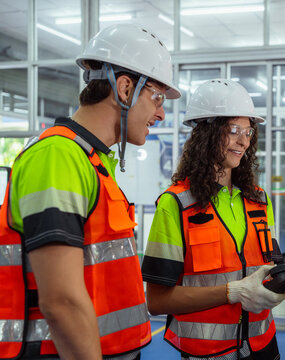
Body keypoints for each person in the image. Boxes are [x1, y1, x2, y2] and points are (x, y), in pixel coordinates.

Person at [0, 23, 180, 360]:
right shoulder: (57, 158)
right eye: (157, 96)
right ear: (125, 89)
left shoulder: (91, 161)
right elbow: (61, 301)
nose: (160, 112)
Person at [141, 78, 285, 360]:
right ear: (206, 134)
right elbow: (157, 301)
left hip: (263, 347)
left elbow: (273, 272)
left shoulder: (257, 200)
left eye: (248, 131)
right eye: (233, 130)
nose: (243, 141)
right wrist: (232, 292)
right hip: (207, 353)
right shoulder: (176, 205)